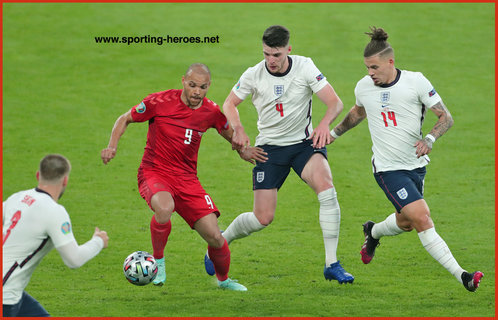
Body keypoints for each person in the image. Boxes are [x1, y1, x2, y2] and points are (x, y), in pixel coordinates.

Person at [329, 26, 483, 292]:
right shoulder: (364, 87)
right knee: (422, 218)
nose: (370, 73)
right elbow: (357, 112)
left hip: (416, 165)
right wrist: (333, 134)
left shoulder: (416, 82)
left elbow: (445, 117)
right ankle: (464, 276)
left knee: (405, 223)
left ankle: (373, 232)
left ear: (390, 62)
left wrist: (429, 140)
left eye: (374, 67)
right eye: (367, 68)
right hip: (388, 169)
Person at [204, 25, 354, 284]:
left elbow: (335, 102)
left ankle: (332, 263)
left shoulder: (305, 67)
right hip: (270, 149)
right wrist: (238, 128)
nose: (271, 61)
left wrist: (323, 124)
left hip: (304, 144)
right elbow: (229, 103)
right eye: (266, 54)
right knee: (263, 218)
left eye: (276, 55)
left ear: (288, 50)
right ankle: (221, 240)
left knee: (326, 188)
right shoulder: (253, 74)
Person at [101, 63, 266, 291]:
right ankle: (158, 262)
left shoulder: (210, 111)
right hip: (155, 172)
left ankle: (224, 280)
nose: (197, 91)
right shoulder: (159, 102)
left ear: (209, 86)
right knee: (165, 207)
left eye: (202, 87)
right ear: (183, 82)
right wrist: (112, 146)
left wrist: (242, 150)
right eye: (192, 85)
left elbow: (228, 133)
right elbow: (125, 118)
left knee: (216, 237)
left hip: (187, 180)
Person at [2, 154, 109, 317]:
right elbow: (74, 260)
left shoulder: (17, 198)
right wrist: (98, 241)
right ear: (65, 180)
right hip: (5, 295)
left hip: (13, 291)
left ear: (38, 175)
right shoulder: (54, 211)